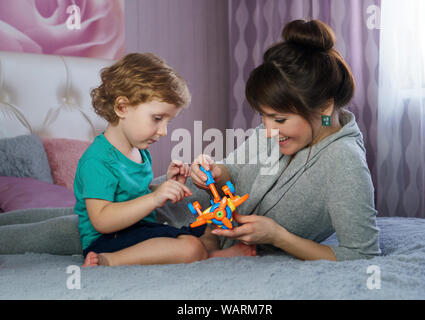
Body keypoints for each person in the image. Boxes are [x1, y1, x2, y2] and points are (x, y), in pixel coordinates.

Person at [190, 19, 380, 261]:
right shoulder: (279, 132)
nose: (267, 131)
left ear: (323, 107)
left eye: (278, 119)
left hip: (200, 235)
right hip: (182, 208)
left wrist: (278, 236)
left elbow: (361, 253)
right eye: (263, 116)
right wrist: (214, 172)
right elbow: (233, 170)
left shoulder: (344, 162)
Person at [76, 52, 253, 267]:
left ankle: (206, 254)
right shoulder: (97, 160)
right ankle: (108, 261)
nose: (164, 132)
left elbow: (131, 194)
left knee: (207, 228)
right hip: (108, 240)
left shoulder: (140, 152)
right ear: (122, 107)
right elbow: (102, 219)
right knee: (190, 247)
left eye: (167, 122)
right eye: (157, 119)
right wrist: (154, 199)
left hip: (141, 230)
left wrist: (165, 187)